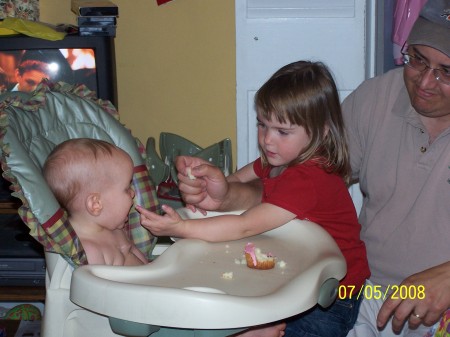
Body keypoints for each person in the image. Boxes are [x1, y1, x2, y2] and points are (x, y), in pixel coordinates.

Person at [172, 0, 450, 336]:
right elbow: (302, 179)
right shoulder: (378, 98)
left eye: (446, 71)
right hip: (359, 292)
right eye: (417, 59)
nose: (425, 82)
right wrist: (227, 194)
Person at [138, 60, 370, 337]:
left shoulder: (308, 178)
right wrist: (204, 188)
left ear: (321, 132)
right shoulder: (280, 158)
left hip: (332, 295)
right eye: (263, 125)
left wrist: (180, 228)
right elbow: (233, 181)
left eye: (282, 131)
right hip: (299, 270)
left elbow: (245, 225)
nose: (267, 140)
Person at [43, 138, 148, 266]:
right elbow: (95, 286)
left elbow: (147, 266)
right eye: (126, 188)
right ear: (96, 204)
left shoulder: (114, 230)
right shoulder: (87, 252)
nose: (133, 193)